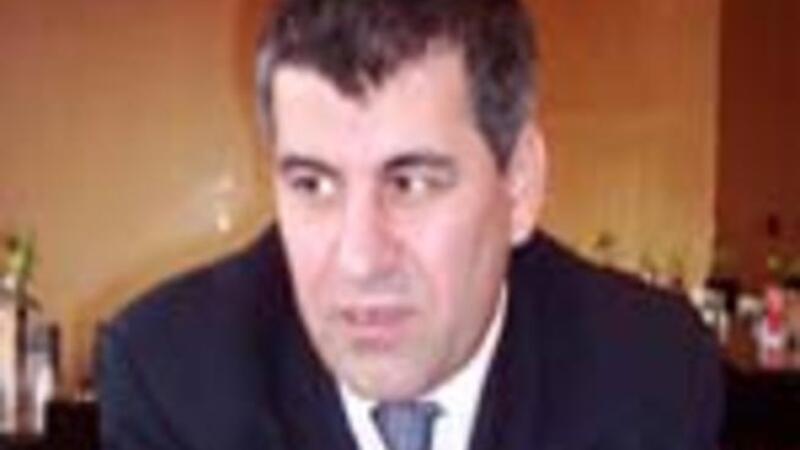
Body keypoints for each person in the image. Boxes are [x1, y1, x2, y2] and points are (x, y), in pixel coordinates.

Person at [98, 0, 722, 449]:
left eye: (411, 183)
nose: (360, 260)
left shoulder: (648, 373)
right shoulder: (172, 377)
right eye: (313, 184)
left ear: (520, 184)